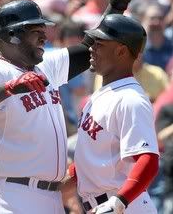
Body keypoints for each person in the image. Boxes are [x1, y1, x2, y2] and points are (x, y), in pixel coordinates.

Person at [0, 0, 154, 214]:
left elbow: (87, 50)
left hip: (52, 196)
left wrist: (117, 4)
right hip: (10, 193)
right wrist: (6, 89)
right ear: (13, 35)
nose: (44, 37)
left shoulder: (44, 67)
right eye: (36, 32)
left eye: (44, 30)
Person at [67, 14, 159, 214]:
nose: (91, 47)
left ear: (121, 51)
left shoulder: (131, 99)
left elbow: (148, 160)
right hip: (101, 205)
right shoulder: (101, 95)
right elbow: (93, 158)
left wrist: (119, 202)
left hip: (125, 206)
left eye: (99, 43)